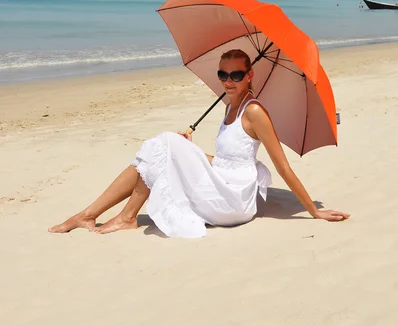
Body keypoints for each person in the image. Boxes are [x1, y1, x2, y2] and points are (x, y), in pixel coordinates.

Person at [49, 49, 349, 238]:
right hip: (223, 177)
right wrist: (188, 147)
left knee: (163, 145)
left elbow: (282, 167)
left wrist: (313, 211)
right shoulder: (230, 104)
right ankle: (88, 215)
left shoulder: (255, 111)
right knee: (163, 149)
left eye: (235, 74)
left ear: (250, 75)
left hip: (234, 199)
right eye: (223, 74)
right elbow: (227, 158)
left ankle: (124, 217)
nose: (228, 80)